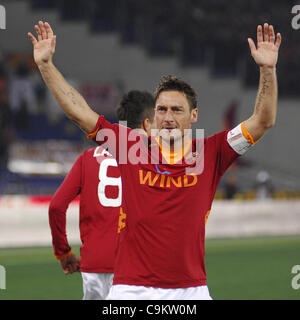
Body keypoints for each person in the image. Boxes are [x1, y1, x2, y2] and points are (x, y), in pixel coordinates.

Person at [29, 21, 281, 299]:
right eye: (161, 109)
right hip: (130, 290)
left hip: (191, 291)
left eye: (177, 109)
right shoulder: (128, 147)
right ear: (153, 115)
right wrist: (46, 66)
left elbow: (263, 120)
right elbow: (80, 113)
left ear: (193, 115)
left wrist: (267, 69)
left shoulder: (212, 151)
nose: (168, 117)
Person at [48, 90, 155, 300]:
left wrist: (63, 252)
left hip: (94, 265)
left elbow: (56, 206)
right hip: (135, 265)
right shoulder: (152, 156)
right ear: (147, 122)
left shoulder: (87, 158)